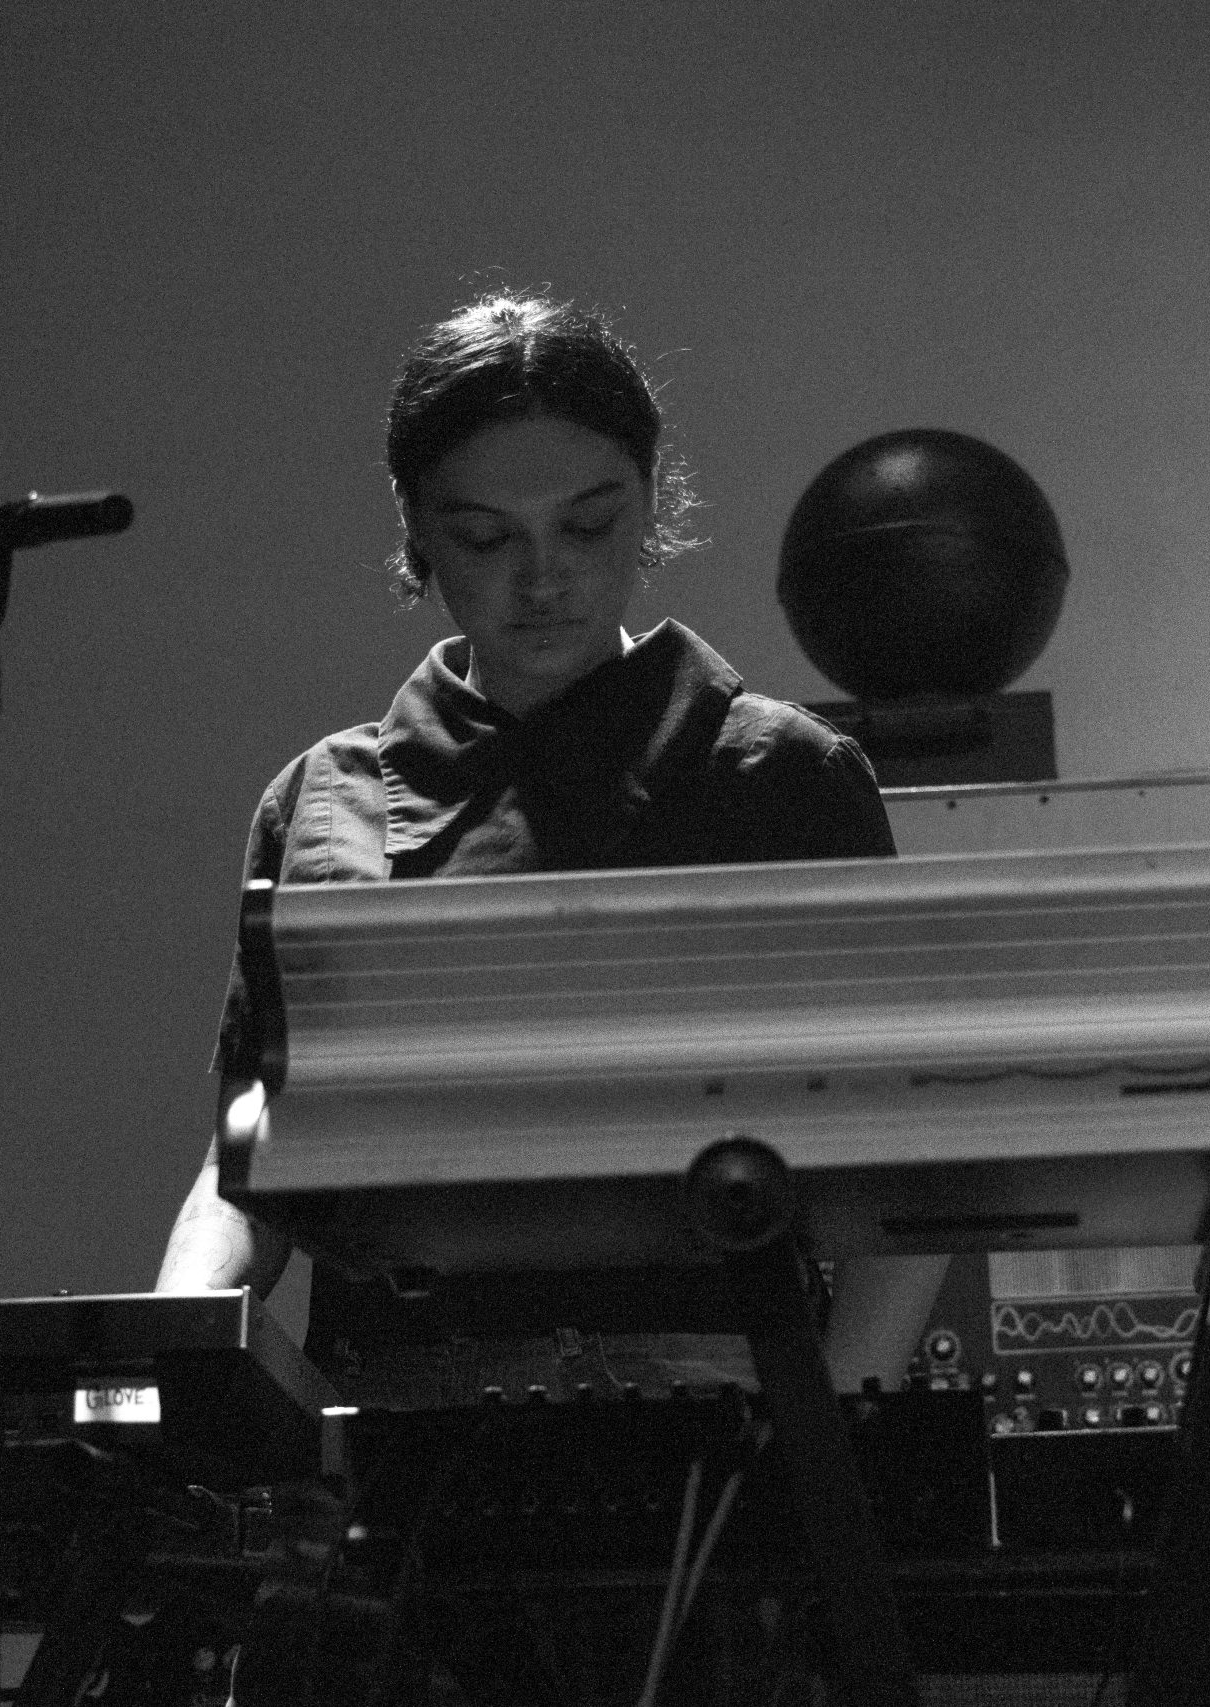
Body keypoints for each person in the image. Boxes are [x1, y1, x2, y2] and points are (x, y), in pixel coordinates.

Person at [155, 292, 948, 1401]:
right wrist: (184, 1337)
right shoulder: (324, 802)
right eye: (486, 537)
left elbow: (914, 1153)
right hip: (397, 1418)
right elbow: (252, 1163)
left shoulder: (780, 777)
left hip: (717, 1408)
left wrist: (822, 1436)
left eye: (588, 525)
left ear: (650, 503)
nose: (543, 578)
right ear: (417, 528)